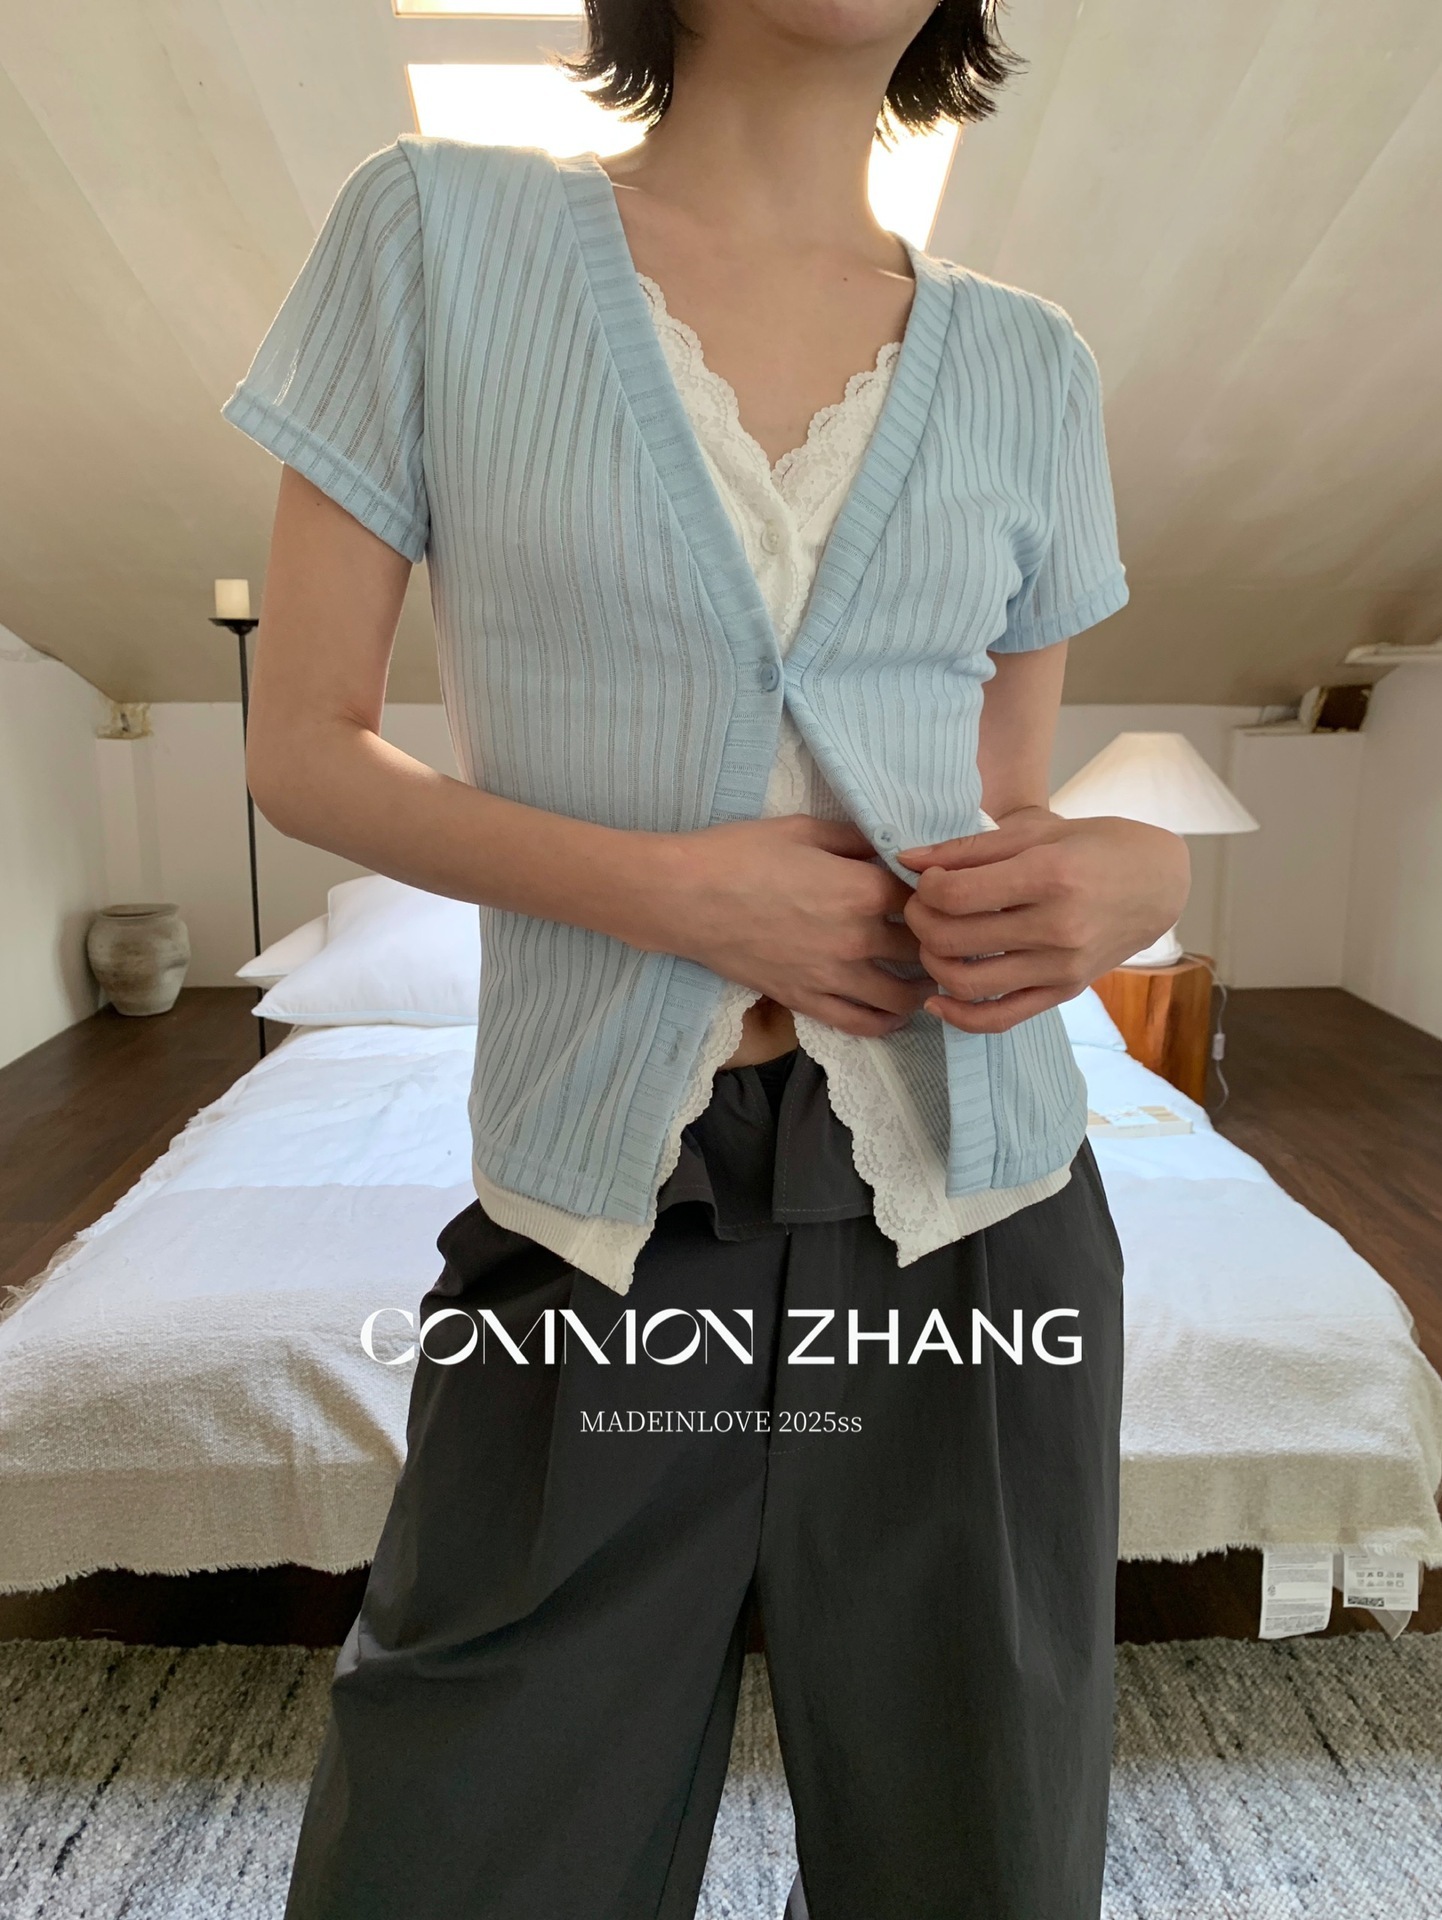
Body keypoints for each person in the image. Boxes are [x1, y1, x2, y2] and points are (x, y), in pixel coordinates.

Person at [223, 2, 1189, 1914]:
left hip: (979, 1205)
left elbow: (1004, 813)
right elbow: (303, 751)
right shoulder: (435, 237)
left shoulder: (1027, 362)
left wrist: (1133, 874)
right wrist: (685, 896)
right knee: (463, 1844)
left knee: (978, 1846)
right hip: (604, 1203)